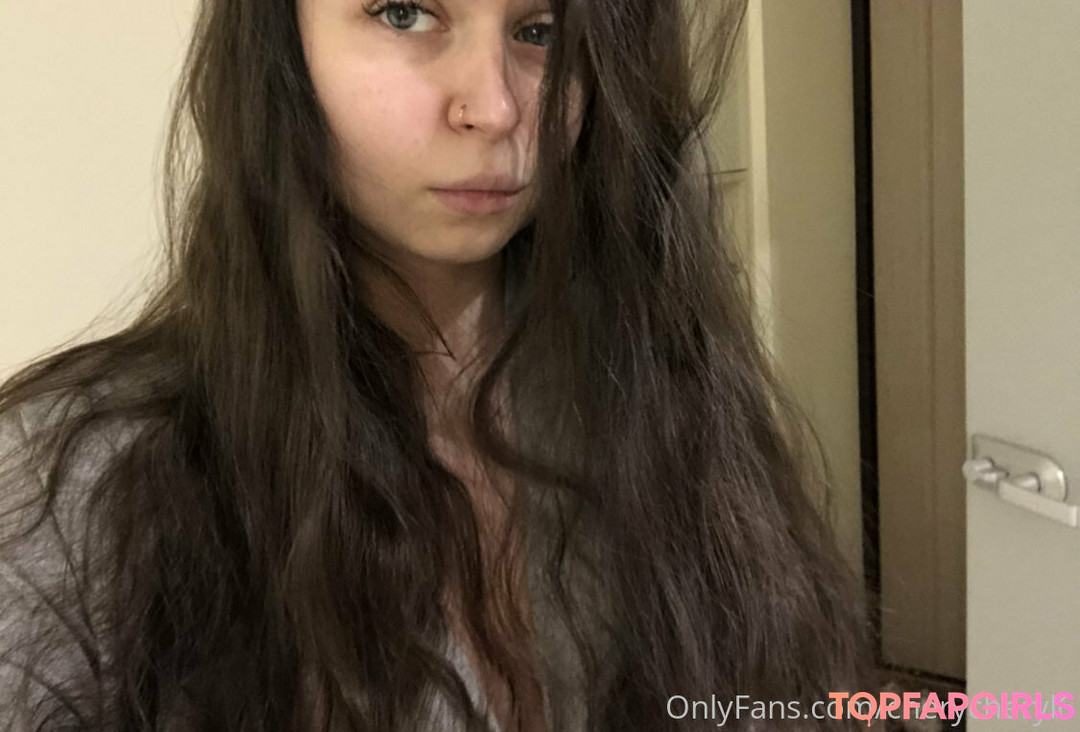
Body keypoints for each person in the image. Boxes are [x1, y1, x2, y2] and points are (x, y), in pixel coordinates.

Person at [0, 0, 876, 729]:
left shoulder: (659, 393)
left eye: (541, 31)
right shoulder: (83, 474)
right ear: (279, 49)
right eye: (404, 13)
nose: (493, 108)